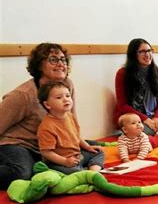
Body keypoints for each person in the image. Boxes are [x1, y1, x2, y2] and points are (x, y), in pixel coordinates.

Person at [0, 43, 76, 189]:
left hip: (47, 145)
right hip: (17, 144)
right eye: (53, 59)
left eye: (63, 59)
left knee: (93, 149)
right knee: (21, 173)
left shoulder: (67, 84)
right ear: (39, 66)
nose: (61, 64)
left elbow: (71, 119)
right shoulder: (22, 95)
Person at [37, 81, 104, 174]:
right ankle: (84, 174)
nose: (65, 99)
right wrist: (65, 161)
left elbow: (76, 136)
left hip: (77, 157)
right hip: (59, 163)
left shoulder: (70, 116)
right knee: (73, 171)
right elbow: (46, 152)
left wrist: (88, 147)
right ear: (47, 105)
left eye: (68, 96)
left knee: (98, 152)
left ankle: (93, 171)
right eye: (59, 97)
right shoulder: (47, 126)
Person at [114, 38, 158, 139]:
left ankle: (146, 135)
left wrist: (157, 117)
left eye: (149, 51)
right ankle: (133, 134)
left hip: (152, 116)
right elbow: (123, 105)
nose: (147, 54)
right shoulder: (122, 74)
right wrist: (145, 119)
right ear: (133, 54)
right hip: (132, 118)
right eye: (142, 51)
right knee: (144, 135)